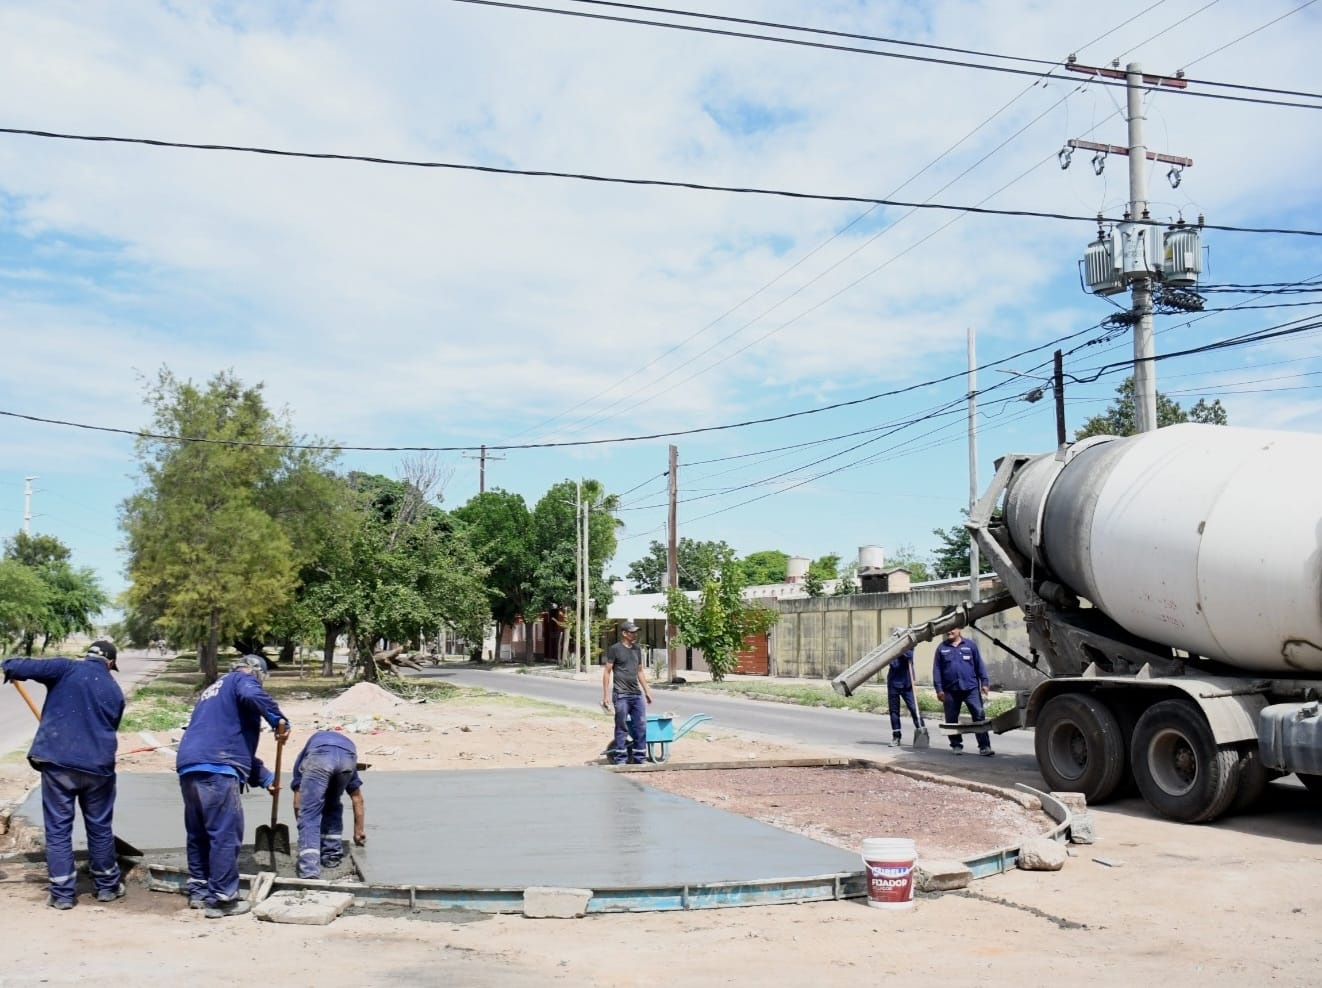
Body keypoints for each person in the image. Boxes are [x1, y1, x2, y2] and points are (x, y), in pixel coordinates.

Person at [1, 640, 126, 910]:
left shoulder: (66, 668)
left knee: (58, 829)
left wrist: (9, 666)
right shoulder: (115, 690)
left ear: (88, 655)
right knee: (100, 827)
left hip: (59, 765)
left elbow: (19, 666)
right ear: (110, 663)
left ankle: (62, 894)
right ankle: (107, 886)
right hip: (98, 768)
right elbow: (109, 726)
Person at [175, 654, 290, 918]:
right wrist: (277, 720)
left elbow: (228, 741)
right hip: (217, 767)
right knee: (224, 833)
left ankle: (199, 890)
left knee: (198, 832)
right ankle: (222, 899)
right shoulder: (242, 680)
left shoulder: (212, 692)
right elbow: (252, 694)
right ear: (255, 672)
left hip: (191, 765)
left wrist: (266, 778)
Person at [290, 730, 365, 879]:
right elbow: (357, 798)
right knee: (332, 804)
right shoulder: (347, 755)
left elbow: (298, 801)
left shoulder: (303, 758)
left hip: (320, 756)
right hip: (348, 756)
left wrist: (302, 825)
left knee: (310, 813)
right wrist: (359, 831)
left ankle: (309, 870)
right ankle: (331, 855)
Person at [932, 626, 993, 756]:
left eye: (952, 629)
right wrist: (939, 689)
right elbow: (937, 670)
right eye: (947, 629)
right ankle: (956, 745)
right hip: (950, 690)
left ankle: (984, 746)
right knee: (951, 719)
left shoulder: (970, 645)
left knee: (979, 716)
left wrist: (984, 683)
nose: (949, 631)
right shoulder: (942, 648)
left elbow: (979, 665)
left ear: (959, 629)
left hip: (970, 689)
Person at [601, 620, 654, 765]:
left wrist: (647, 690)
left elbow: (639, 671)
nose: (635, 634)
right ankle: (621, 759)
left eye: (636, 632)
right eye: (632, 632)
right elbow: (607, 672)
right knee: (621, 727)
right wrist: (606, 695)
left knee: (640, 726)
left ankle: (640, 758)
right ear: (624, 633)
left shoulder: (637, 649)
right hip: (621, 695)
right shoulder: (615, 649)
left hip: (636, 694)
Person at [886, 627, 925, 746]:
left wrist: (903, 649)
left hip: (907, 684)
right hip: (893, 683)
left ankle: (921, 731)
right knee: (894, 711)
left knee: (914, 708)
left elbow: (909, 656)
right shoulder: (890, 649)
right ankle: (896, 736)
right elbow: (893, 664)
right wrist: (897, 650)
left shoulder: (909, 646)